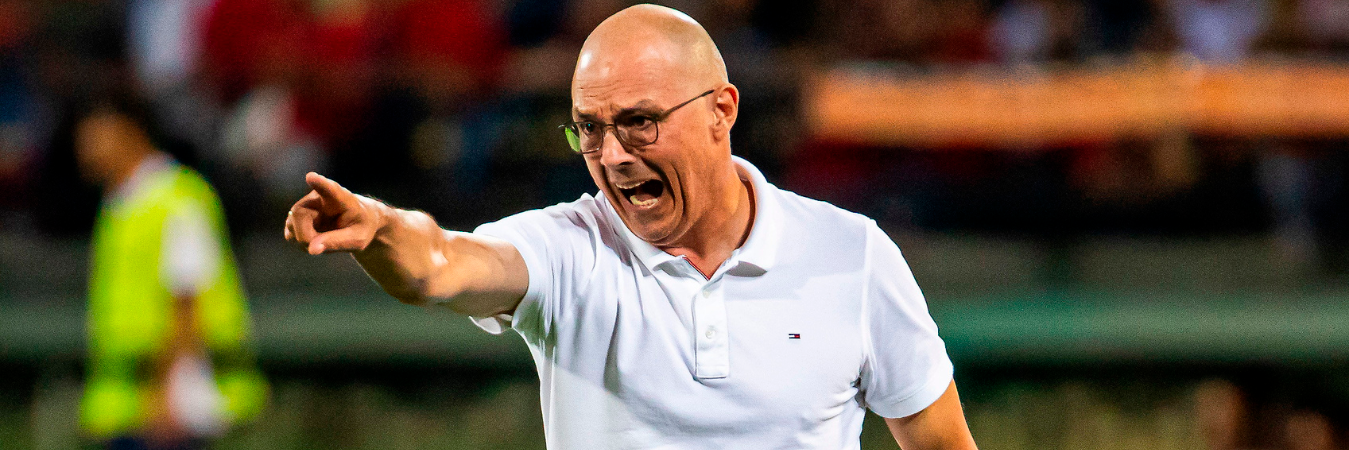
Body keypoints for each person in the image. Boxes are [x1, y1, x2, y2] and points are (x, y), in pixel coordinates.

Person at [284, 4, 977, 449]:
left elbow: (939, 440)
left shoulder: (850, 254)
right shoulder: (564, 250)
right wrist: (378, 229)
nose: (612, 156)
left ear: (721, 110)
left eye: (639, 122)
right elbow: (439, 266)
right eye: (589, 130)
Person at [76, 95, 268, 450]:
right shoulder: (121, 202)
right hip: (127, 403)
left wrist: (167, 396)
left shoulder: (178, 198)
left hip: (164, 410)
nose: (84, 150)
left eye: (94, 137)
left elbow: (187, 298)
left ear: (130, 132)